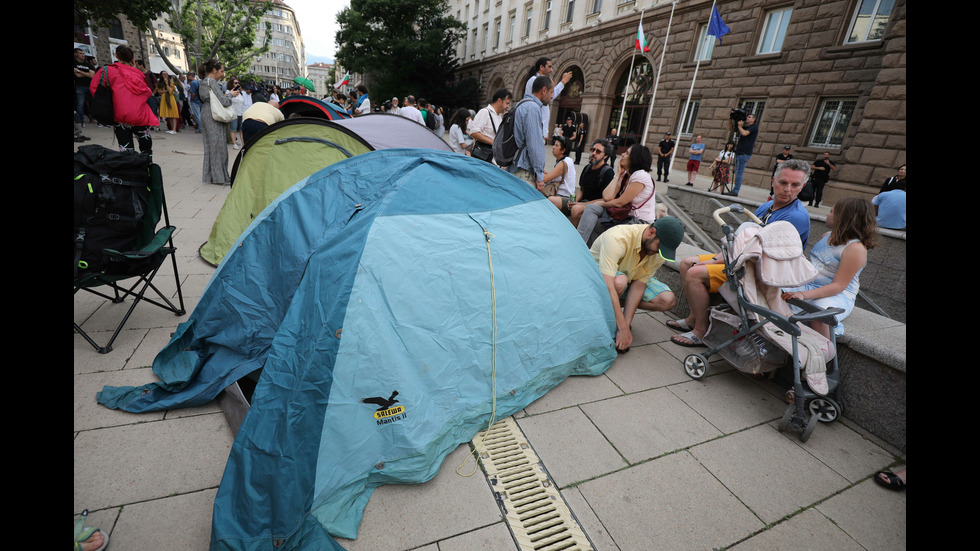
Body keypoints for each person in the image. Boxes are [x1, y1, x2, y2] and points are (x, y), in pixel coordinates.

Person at [670, 159, 812, 347]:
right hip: (745, 262)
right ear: (773, 181)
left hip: (761, 275)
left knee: (695, 273)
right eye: (783, 183)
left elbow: (756, 252)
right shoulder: (766, 206)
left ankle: (701, 331)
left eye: (795, 185)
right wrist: (716, 259)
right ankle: (693, 318)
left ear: (802, 186)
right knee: (686, 263)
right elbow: (744, 243)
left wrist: (713, 261)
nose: (788, 189)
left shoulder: (795, 216)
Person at [782, 197, 878, 338]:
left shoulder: (855, 249)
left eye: (832, 212)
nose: (828, 215)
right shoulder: (827, 236)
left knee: (820, 315)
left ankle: (824, 353)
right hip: (811, 285)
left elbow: (838, 286)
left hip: (837, 294)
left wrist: (803, 295)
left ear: (845, 218)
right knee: (772, 290)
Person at [590, 217, 685, 352]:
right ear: (651, 232)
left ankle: (615, 314)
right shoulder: (617, 237)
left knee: (667, 300)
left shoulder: (658, 252)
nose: (658, 252)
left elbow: (639, 286)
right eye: (659, 247)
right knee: (619, 283)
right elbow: (608, 285)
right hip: (597, 278)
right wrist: (622, 327)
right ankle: (603, 317)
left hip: (628, 278)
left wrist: (626, 326)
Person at [575, 144, 657, 243]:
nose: (622, 154)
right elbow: (607, 196)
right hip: (624, 215)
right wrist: (618, 174)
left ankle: (582, 248)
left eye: (626, 153)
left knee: (596, 224)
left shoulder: (641, 176)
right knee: (591, 208)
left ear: (634, 158)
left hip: (638, 222)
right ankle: (578, 245)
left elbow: (619, 203)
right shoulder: (625, 175)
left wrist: (600, 203)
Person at [90, 45, 156, 158]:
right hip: (140, 115)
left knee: (126, 149)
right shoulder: (139, 74)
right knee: (146, 148)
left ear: (116, 55)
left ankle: (130, 172)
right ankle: (148, 169)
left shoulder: (106, 70)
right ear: (132, 58)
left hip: (120, 114)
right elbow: (147, 92)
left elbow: (95, 90)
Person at [508, 75, 553, 191]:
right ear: (544, 90)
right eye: (551, 92)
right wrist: (539, 174)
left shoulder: (519, 104)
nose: (552, 96)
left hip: (514, 165)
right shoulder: (533, 108)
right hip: (524, 172)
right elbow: (534, 145)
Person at [200, 59, 239, 185]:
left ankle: (210, 176)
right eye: (221, 71)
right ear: (214, 70)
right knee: (218, 147)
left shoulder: (204, 82)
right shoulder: (211, 82)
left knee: (210, 147)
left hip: (207, 112)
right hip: (214, 115)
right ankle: (219, 177)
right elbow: (224, 102)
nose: (223, 74)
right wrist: (231, 95)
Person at [523, 57, 572, 137]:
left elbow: (549, 96)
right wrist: (563, 82)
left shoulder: (536, 79)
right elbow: (548, 97)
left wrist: (545, 131)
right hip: (534, 130)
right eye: (549, 67)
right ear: (541, 67)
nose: (551, 70)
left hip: (538, 130)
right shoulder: (534, 80)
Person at [468, 88, 511, 163]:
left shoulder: (499, 117)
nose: (508, 106)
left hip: (492, 160)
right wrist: (493, 142)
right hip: (483, 159)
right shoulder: (485, 112)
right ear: (499, 101)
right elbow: (473, 132)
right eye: (507, 103)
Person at [544, 136, 577, 213]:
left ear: (563, 150)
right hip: (567, 197)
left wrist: (536, 171)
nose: (553, 147)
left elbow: (545, 179)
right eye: (554, 145)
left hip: (568, 198)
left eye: (556, 145)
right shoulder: (564, 161)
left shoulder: (564, 162)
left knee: (550, 200)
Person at [730, 113, 758, 196]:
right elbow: (731, 129)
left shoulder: (753, 127)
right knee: (737, 171)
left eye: (749, 117)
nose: (747, 118)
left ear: (753, 119)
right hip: (739, 152)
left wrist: (739, 126)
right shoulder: (746, 127)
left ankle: (735, 191)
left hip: (744, 153)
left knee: (739, 172)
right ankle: (735, 190)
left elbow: (745, 133)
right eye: (747, 116)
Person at [74, 48, 96, 126]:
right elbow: (77, 75)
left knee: (96, 102)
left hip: (90, 86)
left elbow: (92, 76)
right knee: (80, 105)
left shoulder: (88, 64)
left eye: (83, 53)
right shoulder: (74, 63)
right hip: (80, 87)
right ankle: (81, 122)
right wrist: (86, 74)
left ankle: (99, 119)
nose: (83, 55)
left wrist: (79, 71)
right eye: (80, 53)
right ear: (75, 54)